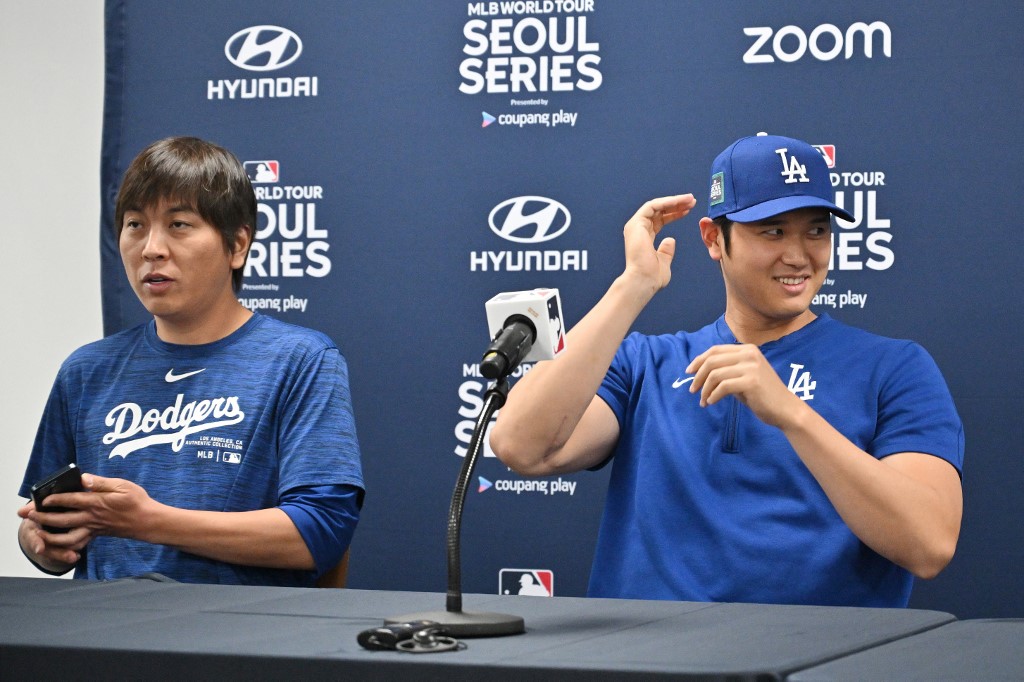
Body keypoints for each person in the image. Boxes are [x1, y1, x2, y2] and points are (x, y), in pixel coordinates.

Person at [490, 133, 964, 607]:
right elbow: (522, 446)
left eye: (817, 231)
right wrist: (633, 285)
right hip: (645, 661)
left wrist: (790, 414)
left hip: (815, 664)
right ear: (715, 239)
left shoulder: (895, 367)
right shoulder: (645, 363)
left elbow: (928, 545)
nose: (799, 255)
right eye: (773, 231)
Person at [17, 137, 364, 587]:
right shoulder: (86, 370)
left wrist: (148, 521)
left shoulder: (301, 361)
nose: (151, 249)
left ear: (237, 244)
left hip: (239, 642)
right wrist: (42, 540)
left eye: (178, 225)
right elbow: (44, 533)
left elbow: (320, 533)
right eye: (135, 224)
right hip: (101, 637)